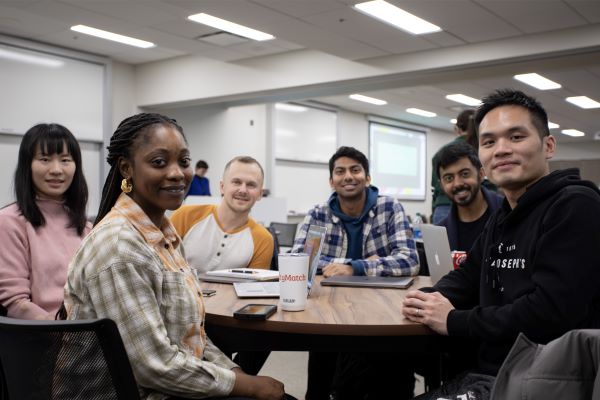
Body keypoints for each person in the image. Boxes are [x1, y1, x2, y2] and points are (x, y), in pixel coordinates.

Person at [64, 113, 287, 400]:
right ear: (126, 168)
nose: (177, 173)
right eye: (159, 162)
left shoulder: (165, 235)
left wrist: (234, 373)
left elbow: (189, 335)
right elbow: (153, 367)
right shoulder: (120, 246)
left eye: (183, 161)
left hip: (170, 383)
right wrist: (244, 385)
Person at [403, 89, 600, 400]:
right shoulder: (504, 215)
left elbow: (550, 312)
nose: (501, 150)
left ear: (548, 146)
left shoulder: (575, 205)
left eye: (516, 137)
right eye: (489, 141)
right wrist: (424, 299)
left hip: (541, 379)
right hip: (491, 372)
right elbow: (469, 274)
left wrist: (455, 321)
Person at [292, 146, 419, 399]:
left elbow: (409, 261)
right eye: (340, 171)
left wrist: (354, 267)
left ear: (368, 177)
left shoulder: (390, 208)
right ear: (331, 181)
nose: (348, 176)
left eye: (355, 170)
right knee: (323, 372)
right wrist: (363, 262)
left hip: (382, 310)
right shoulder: (319, 215)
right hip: (329, 309)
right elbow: (300, 261)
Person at [0, 123, 90, 320]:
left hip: (87, 332)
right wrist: (65, 330)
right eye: (45, 159)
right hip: (44, 338)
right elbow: (16, 303)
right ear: (27, 165)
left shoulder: (86, 226)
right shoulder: (9, 222)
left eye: (65, 160)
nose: (56, 169)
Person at [171, 156, 273, 273]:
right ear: (222, 187)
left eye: (251, 185)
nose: (243, 190)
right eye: (236, 182)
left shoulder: (264, 240)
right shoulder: (185, 216)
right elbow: (161, 268)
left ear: (260, 194)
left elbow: (252, 290)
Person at [435, 141, 503, 252]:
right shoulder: (441, 233)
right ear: (441, 185)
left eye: (465, 174)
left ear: (481, 174)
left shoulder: (509, 211)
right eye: (448, 178)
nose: (457, 184)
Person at [431, 109, 476, 224]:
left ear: (457, 129)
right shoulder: (480, 149)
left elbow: (435, 187)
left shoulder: (440, 153)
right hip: (474, 208)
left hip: (443, 207)